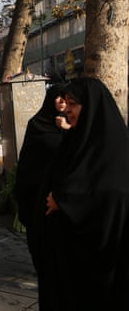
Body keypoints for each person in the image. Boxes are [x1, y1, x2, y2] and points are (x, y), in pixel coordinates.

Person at [37, 78, 129, 310]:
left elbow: (115, 193)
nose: (66, 109)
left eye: (73, 104)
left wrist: (67, 200)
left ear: (91, 107)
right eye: (65, 103)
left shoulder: (115, 147)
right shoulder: (77, 139)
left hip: (100, 267)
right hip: (67, 264)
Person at [13, 84, 70, 270]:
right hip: (38, 190)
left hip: (65, 192)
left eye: (66, 97)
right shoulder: (37, 125)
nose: (62, 101)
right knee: (40, 235)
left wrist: (68, 129)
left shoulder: (75, 123)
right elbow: (28, 160)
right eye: (58, 97)